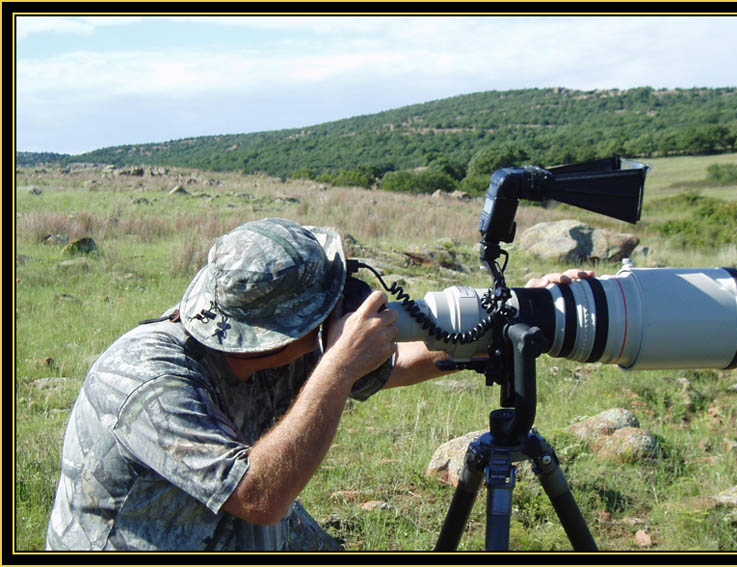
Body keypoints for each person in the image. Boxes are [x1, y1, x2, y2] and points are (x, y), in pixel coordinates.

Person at [45, 217, 593, 551]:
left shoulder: (276, 349)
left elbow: (397, 362)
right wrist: (336, 367)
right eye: (326, 310)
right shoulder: (147, 380)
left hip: (224, 524)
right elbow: (259, 496)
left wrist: (519, 314)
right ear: (279, 334)